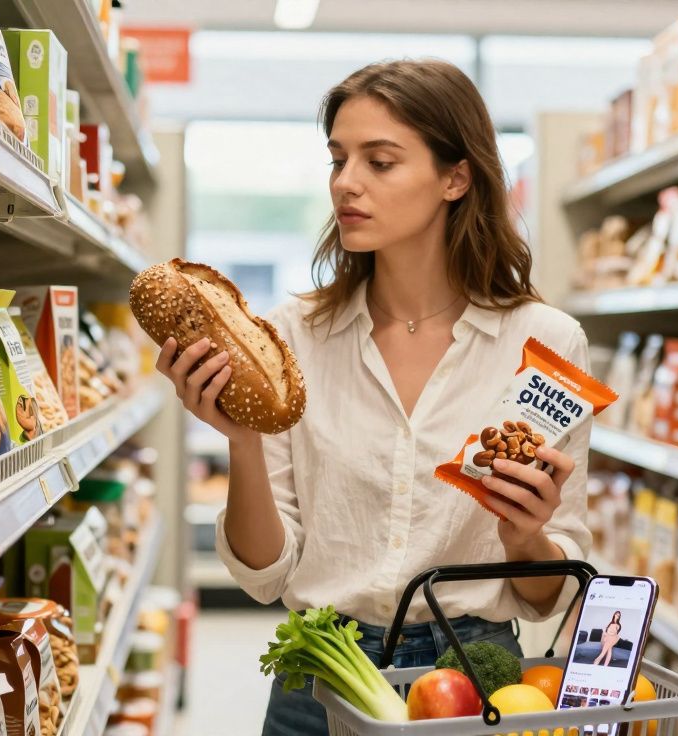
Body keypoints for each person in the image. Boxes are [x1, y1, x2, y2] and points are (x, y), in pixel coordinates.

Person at [155, 59, 593, 734]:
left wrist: (527, 533)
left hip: (476, 673)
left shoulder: (545, 344)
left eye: (380, 162)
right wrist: (241, 438)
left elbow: (546, 599)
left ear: (456, 177)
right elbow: (266, 575)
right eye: (338, 160)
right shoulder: (290, 339)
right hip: (320, 669)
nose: (345, 184)